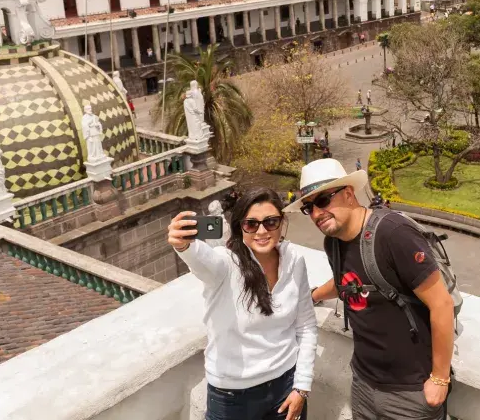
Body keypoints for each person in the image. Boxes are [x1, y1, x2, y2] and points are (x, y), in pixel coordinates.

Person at [299, 159, 455, 420]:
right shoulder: (333, 244)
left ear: (348, 194)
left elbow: (442, 303)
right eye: (309, 207)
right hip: (363, 383)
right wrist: (311, 296)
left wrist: (439, 379)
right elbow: (348, 282)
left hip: (410, 390)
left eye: (323, 200)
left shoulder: (393, 234)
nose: (316, 213)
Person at [167, 187, 317, 420]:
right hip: (232, 397)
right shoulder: (226, 265)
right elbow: (203, 260)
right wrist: (184, 245)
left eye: (270, 222)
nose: (261, 231)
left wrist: (302, 387)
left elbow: (306, 326)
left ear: (281, 222)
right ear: (239, 228)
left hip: (286, 385)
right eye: (251, 224)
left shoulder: (294, 260)